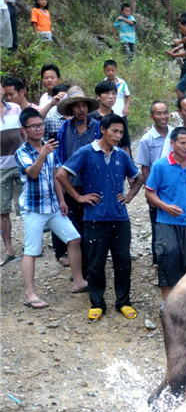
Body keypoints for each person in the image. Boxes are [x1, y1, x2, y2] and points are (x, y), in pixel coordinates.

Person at [57, 113, 144, 321]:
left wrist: (129, 196)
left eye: (121, 132)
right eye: (114, 131)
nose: (118, 135)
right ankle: (97, 303)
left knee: (123, 261)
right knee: (95, 262)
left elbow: (138, 177)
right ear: (102, 130)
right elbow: (61, 174)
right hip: (94, 217)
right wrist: (78, 196)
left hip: (120, 217)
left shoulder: (121, 155)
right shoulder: (86, 152)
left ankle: (123, 301)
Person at [15, 108, 88, 308]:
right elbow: (32, 173)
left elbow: (55, 174)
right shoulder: (22, 152)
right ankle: (30, 294)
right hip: (33, 208)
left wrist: (62, 200)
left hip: (53, 206)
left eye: (41, 125)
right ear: (24, 129)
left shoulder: (49, 147)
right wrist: (43, 153)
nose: (38, 129)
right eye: (33, 126)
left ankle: (79, 281)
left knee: (74, 238)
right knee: (31, 250)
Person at [144, 127, 186, 306]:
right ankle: (167, 305)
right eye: (182, 143)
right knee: (168, 261)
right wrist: (165, 206)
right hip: (166, 222)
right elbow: (149, 192)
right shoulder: (160, 165)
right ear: (172, 143)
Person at [53, 87, 101, 268]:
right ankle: (81, 267)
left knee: (93, 227)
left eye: (84, 106)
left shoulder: (97, 127)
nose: (81, 110)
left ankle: (93, 265)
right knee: (75, 227)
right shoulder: (64, 129)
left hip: (93, 185)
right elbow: (59, 158)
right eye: (77, 106)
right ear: (71, 110)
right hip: (71, 184)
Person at [136, 101, 170, 263]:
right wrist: (151, 193)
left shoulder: (175, 134)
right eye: (158, 113)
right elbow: (145, 168)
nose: (163, 117)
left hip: (173, 187)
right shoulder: (146, 140)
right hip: (157, 189)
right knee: (157, 225)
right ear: (152, 116)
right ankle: (159, 260)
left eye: (165, 113)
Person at [0, 96, 22, 266]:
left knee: (27, 205)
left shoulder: (15, 108)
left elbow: (24, 132)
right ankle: (9, 249)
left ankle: (32, 245)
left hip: (21, 163)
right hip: (1, 168)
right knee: (2, 209)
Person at [90, 80, 131, 156]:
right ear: (98, 96)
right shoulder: (89, 119)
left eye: (114, 93)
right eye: (107, 93)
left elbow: (125, 146)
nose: (111, 97)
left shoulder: (119, 120)